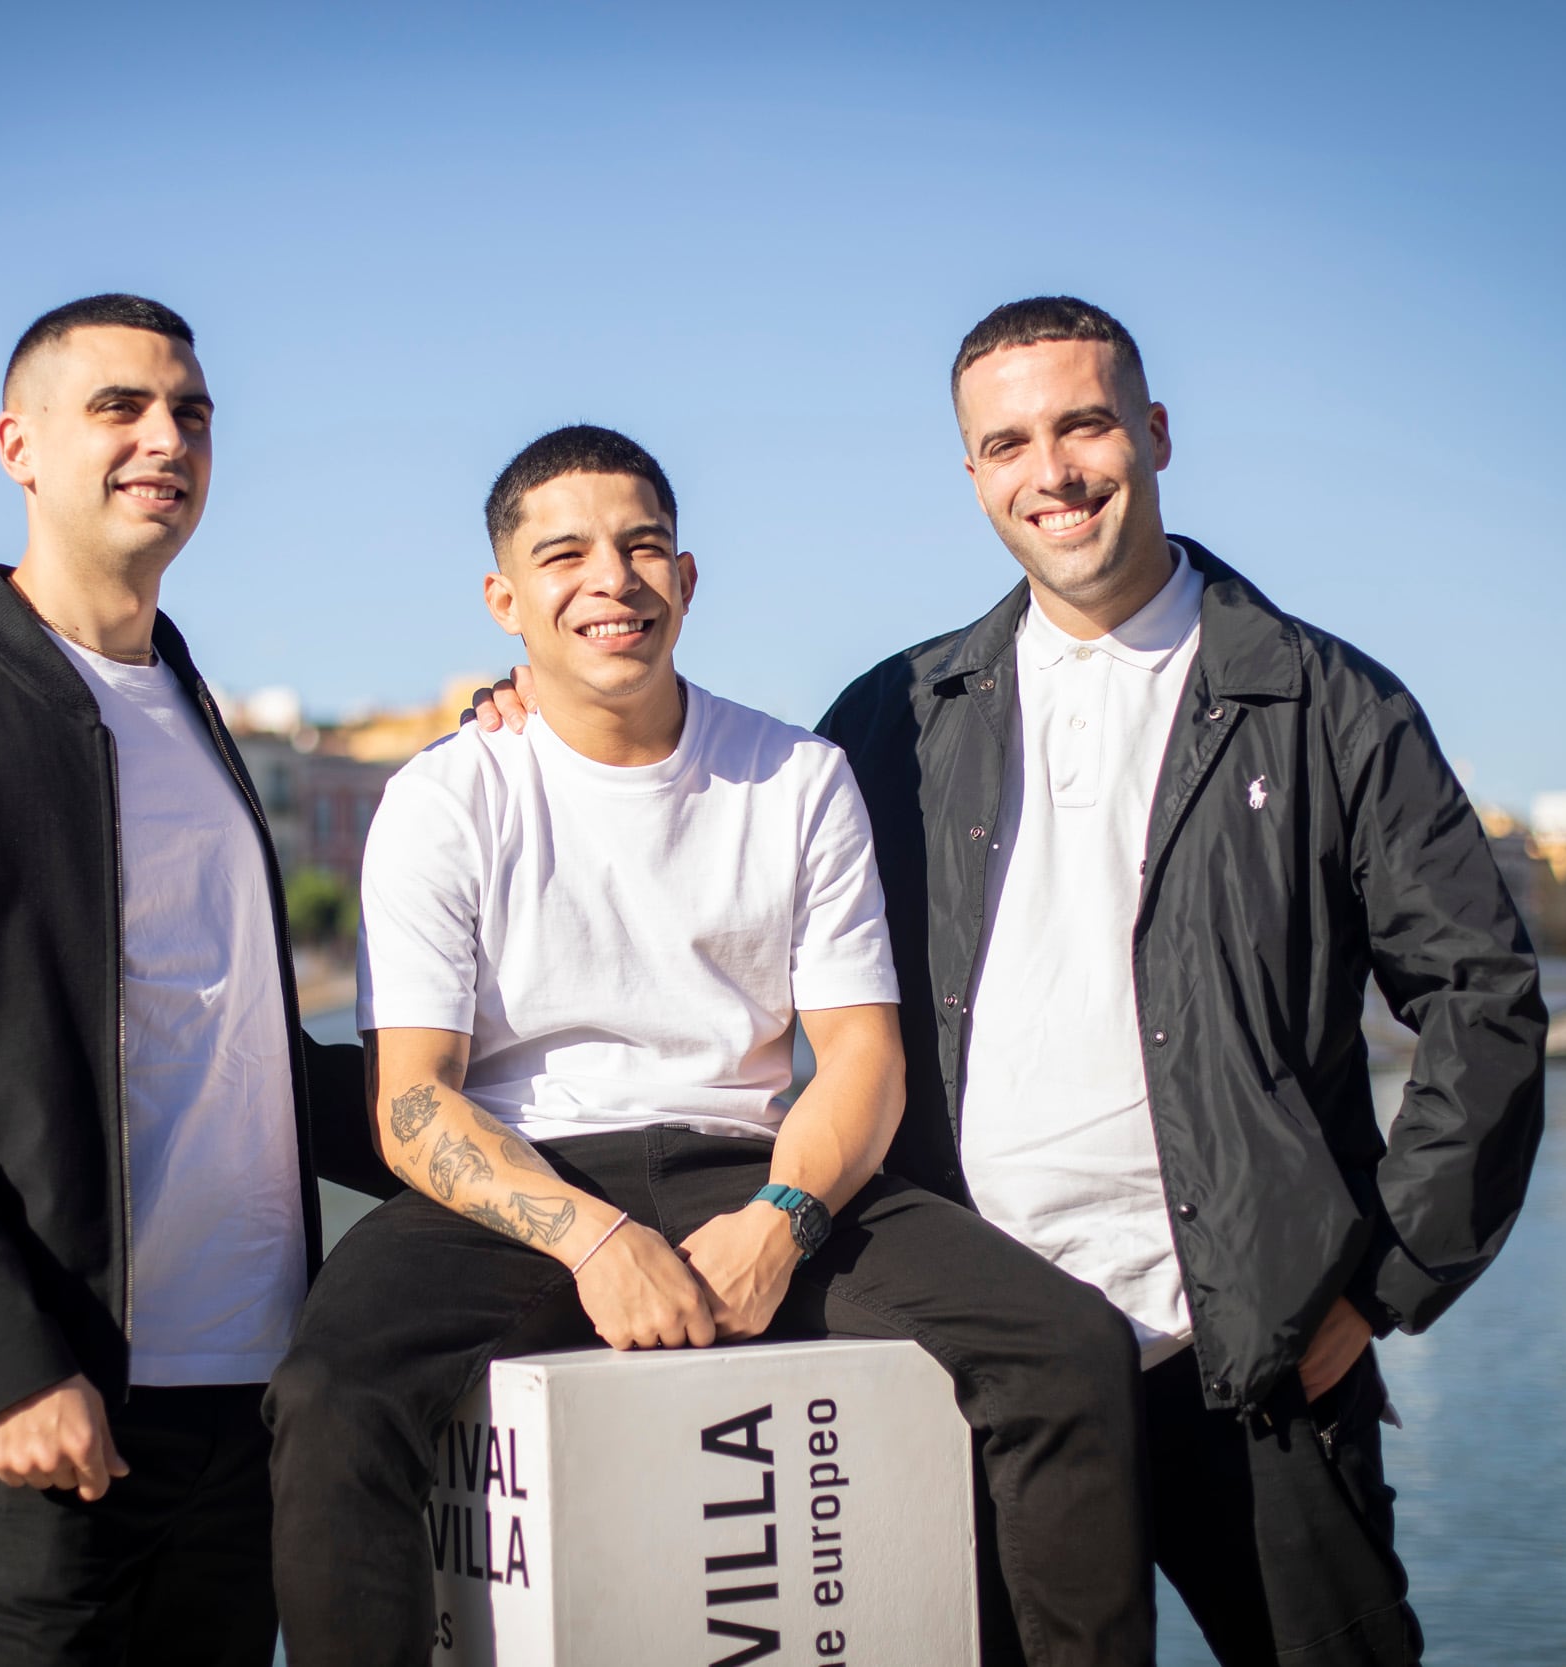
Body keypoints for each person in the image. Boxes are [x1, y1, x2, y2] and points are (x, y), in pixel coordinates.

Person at [477, 299, 1549, 1665]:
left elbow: (1484, 1001)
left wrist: (1384, 1279)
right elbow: (698, 825)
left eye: (1084, 424)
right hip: (974, 1362)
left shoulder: (1329, 702)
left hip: (1258, 1353)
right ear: (974, 474)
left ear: (1152, 433)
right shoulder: (898, 713)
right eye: (1006, 443)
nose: (1052, 470)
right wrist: (525, 714)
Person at [267, 425, 1155, 1667]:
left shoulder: (796, 775)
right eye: (563, 553)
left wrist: (784, 1216)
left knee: (1066, 1351)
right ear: (504, 599)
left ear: (685, 579)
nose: (611, 579)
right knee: (327, 1400)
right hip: (519, 1178)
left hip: (747, 1158)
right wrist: (594, 1237)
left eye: (641, 547)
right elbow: (413, 1101)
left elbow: (860, 1060)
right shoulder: (443, 794)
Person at [0, 293, 384, 1666]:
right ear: (21, 445)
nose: (163, 436)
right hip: (43, 1398)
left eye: (190, 410)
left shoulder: (184, 698)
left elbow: (244, 1053)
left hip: (247, 1387)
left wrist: (524, 1166)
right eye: (119, 406)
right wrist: (8, 1368)